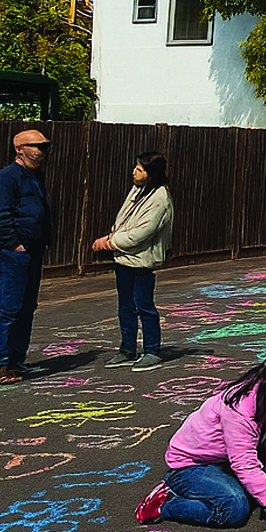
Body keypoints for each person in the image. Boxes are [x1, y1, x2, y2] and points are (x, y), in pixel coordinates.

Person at [136, 337, 266, 527]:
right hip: (189, 465)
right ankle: (165, 503)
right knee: (233, 507)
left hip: (222, 461)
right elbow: (244, 463)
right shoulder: (240, 407)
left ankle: (217, 488)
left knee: (264, 490)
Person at [94, 152, 175, 372]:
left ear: (151, 174)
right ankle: (127, 349)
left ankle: (152, 351)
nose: (134, 172)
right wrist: (113, 238)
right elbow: (124, 220)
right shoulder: (137, 191)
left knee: (144, 306)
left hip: (142, 261)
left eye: (140, 169)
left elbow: (142, 233)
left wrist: (110, 242)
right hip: (124, 260)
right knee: (126, 306)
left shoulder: (160, 199)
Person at [0, 129, 52, 385]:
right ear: (19, 149)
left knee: (27, 308)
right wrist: (14, 245)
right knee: (10, 308)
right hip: (15, 255)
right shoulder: (7, 177)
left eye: (44, 147)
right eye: (35, 146)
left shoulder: (34, 177)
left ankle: (15, 361)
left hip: (33, 252)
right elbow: (0, 217)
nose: (41, 151)